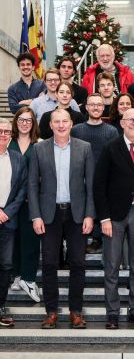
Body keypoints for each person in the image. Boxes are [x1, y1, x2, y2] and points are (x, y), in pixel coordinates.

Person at [28, 108, 95, 329]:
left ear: (71, 123)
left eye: (64, 121)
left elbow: (91, 185)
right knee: (48, 263)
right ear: (50, 125)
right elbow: (32, 185)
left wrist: (89, 214)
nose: (61, 125)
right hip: (49, 214)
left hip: (77, 213)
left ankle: (76, 312)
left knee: (78, 263)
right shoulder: (39, 149)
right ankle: (52, 312)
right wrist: (36, 215)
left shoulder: (84, 148)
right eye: (56, 121)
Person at [93, 108, 134, 329]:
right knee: (111, 266)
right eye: (131, 119)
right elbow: (99, 185)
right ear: (122, 122)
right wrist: (104, 218)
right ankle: (112, 313)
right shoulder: (111, 148)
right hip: (114, 216)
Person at [71, 94, 119, 254]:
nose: (96, 107)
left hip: (103, 179)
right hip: (79, 178)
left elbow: (115, 157)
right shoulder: (76, 130)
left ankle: (98, 239)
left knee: (100, 207)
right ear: (86, 107)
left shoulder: (111, 131)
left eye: (99, 105)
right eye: (92, 105)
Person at [8, 107, 41, 303]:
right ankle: (16, 275)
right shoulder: (8, 143)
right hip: (10, 201)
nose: (25, 123)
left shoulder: (39, 144)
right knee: (13, 239)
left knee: (30, 239)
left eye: (29, 120)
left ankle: (28, 277)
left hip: (31, 200)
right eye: (21, 119)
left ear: (33, 123)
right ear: (16, 122)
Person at [0, 118, 27, 327]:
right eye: (0, 131)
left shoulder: (17, 158)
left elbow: (22, 190)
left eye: (7, 132)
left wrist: (6, 212)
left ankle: (1, 306)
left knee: (6, 264)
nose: (3, 134)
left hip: (8, 221)